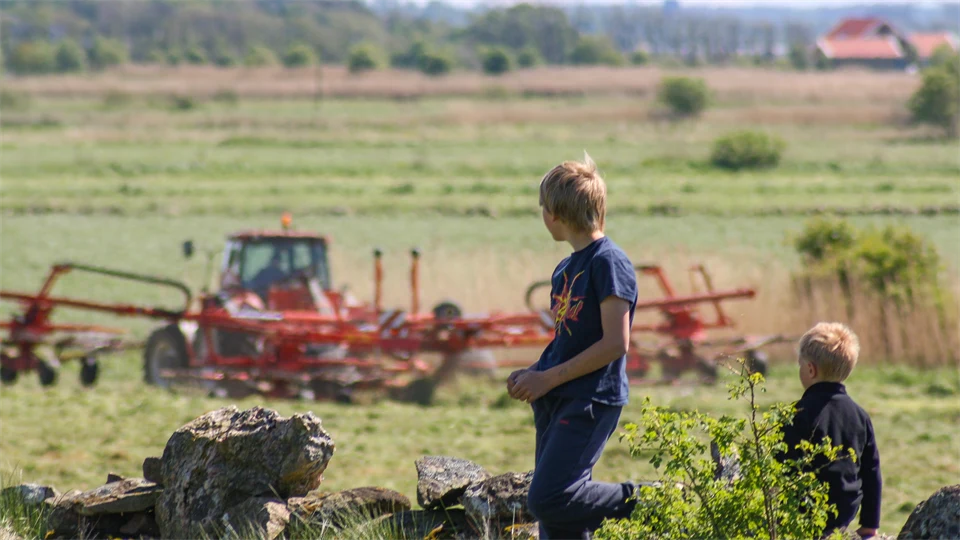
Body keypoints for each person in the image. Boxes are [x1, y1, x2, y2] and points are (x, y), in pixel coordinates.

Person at [507, 152, 639, 539]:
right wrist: (534, 373)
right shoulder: (566, 269)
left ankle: (646, 500)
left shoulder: (609, 262)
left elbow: (616, 343)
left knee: (548, 498)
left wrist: (548, 379)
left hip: (591, 398)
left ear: (554, 214)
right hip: (559, 397)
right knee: (559, 519)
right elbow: (567, 340)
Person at [780, 322, 882, 539]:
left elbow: (780, 469)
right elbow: (871, 472)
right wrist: (869, 526)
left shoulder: (795, 415)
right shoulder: (860, 416)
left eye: (800, 365)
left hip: (803, 516)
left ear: (810, 369)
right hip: (844, 512)